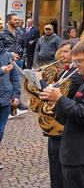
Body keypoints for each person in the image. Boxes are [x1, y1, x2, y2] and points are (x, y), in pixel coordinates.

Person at [39, 40, 84, 188]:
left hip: (83, 151)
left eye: (79, 61)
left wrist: (59, 98)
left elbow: (83, 114)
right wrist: (54, 104)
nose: (75, 65)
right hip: (76, 150)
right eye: (74, 62)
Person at [45, 39, 84, 188]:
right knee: (55, 167)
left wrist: (42, 84)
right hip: (57, 124)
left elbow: (61, 93)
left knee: (59, 167)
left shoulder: (76, 74)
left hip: (62, 125)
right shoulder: (69, 69)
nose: (62, 54)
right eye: (62, 51)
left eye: (66, 51)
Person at [0, 40, 21, 170]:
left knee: (0, 130)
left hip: (5, 99)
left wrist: (16, 95)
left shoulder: (8, 56)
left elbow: (15, 77)